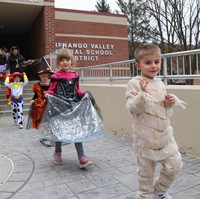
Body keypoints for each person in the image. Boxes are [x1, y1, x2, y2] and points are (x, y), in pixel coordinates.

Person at [125, 43, 187, 199]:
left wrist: (169, 102)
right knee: (146, 174)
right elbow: (132, 108)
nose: (153, 66)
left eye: (156, 62)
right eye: (148, 62)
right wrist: (142, 94)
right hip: (145, 138)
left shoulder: (160, 83)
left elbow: (164, 110)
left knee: (175, 164)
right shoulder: (134, 83)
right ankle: (145, 195)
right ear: (138, 65)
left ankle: (159, 190)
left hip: (165, 135)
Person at [41, 48, 103, 168]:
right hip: (59, 107)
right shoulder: (56, 76)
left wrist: (83, 94)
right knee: (59, 130)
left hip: (73, 106)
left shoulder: (75, 75)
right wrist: (47, 94)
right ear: (59, 62)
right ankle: (58, 152)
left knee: (76, 130)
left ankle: (82, 157)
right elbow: (52, 90)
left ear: (71, 61)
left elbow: (77, 90)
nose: (65, 62)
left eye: (67, 59)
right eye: (62, 60)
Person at [27, 57, 54, 146]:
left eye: (46, 76)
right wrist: (32, 100)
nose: (45, 78)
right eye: (43, 76)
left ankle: (49, 135)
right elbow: (36, 95)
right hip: (40, 106)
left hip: (49, 105)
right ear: (39, 76)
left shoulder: (51, 85)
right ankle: (43, 137)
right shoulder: (37, 86)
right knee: (43, 122)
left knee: (49, 121)